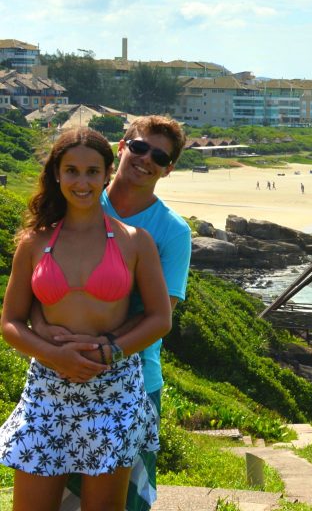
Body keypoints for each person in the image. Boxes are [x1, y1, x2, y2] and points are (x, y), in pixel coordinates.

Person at [0, 127, 172, 511]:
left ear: (107, 173)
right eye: (72, 170)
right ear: (57, 174)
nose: (82, 181)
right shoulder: (34, 242)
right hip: (47, 390)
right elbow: (10, 323)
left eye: (92, 171)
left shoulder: (135, 240)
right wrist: (52, 355)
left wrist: (110, 353)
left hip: (113, 390)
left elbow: (160, 318)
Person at [35, 116, 192, 511]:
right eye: (139, 147)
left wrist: (101, 349)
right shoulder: (80, 195)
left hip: (134, 379)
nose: (145, 159)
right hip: (57, 371)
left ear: (168, 168)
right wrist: (53, 346)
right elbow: (35, 287)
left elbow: (161, 314)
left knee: (125, 503)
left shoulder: (171, 231)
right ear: (121, 147)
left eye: (159, 155)